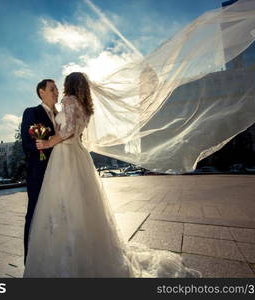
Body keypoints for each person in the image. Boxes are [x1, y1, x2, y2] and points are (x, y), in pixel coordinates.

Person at [23, 72, 200, 277]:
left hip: (66, 155)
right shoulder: (86, 107)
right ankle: (83, 249)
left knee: (65, 204)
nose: (60, 90)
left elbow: (68, 129)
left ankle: (68, 253)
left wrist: (47, 142)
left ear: (70, 85)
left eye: (61, 85)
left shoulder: (69, 100)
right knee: (81, 205)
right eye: (53, 88)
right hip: (79, 156)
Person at [20, 79, 58, 264]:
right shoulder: (32, 112)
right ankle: (30, 261)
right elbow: (28, 143)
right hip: (39, 173)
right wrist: (50, 141)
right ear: (41, 92)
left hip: (60, 173)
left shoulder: (60, 116)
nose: (56, 92)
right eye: (52, 88)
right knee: (34, 213)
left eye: (57, 88)